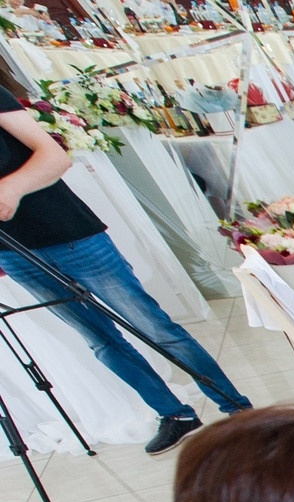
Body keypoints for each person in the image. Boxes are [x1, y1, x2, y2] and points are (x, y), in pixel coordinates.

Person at [0, 80, 249, 454]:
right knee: (100, 342)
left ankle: (237, 410)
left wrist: (10, 189)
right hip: (13, 253)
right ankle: (175, 414)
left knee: (154, 328)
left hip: (70, 234)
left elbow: (54, 157)